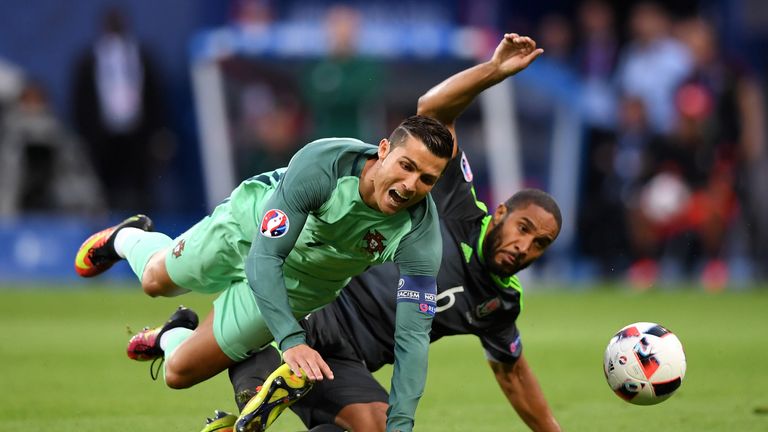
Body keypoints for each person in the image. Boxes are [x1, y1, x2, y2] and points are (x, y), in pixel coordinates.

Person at [202, 33, 561, 432]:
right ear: (499, 214)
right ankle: (231, 361)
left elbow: (513, 374)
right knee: (249, 369)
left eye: (539, 244)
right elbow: (432, 109)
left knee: (374, 428)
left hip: (347, 361)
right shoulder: (453, 201)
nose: (524, 246)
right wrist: (492, 71)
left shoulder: (501, 302)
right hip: (318, 310)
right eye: (523, 229)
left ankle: (241, 399)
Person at [74, 113, 454, 431]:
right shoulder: (325, 164)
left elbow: (412, 338)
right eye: (407, 166)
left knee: (178, 372)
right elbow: (264, 257)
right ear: (384, 150)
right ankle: (126, 238)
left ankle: (173, 333)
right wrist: (291, 340)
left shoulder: (420, 236)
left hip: (299, 287)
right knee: (155, 282)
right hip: (245, 231)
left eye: (426, 179)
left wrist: (401, 426)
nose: (410, 186)